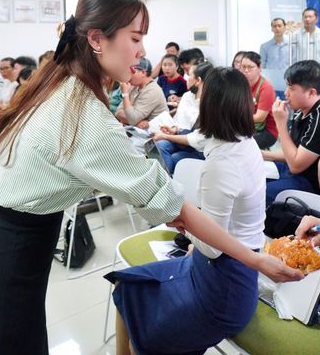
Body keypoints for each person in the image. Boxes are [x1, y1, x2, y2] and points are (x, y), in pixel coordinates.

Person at [0, 0, 299, 355]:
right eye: (135, 38)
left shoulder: (57, 83)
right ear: (96, 39)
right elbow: (176, 209)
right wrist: (255, 259)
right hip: (8, 269)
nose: (142, 52)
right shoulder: (84, 114)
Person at [106, 67, 299, 355]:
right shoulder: (242, 143)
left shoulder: (222, 164)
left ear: (209, 106)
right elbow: (198, 140)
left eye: (201, 95)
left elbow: (211, 248)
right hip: (219, 267)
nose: (196, 97)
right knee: (128, 286)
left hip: (222, 287)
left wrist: (186, 224)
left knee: (142, 329)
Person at [263, 60, 320, 205]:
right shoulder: (301, 112)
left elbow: (296, 165)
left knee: (260, 193)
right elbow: (293, 153)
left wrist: (280, 124)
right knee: (251, 176)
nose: (286, 93)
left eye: (291, 89)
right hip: (292, 171)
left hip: (310, 183)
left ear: (311, 92)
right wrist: (263, 155)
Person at [153, 62, 213, 174]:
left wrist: (166, 136)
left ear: (198, 80)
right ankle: (167, 178)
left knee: (176, 157)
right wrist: (173, 129)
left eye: (189, 75)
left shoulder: (210, 103)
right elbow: (179, 123)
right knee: (160, 145)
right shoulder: (187, 96)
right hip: (183, 140)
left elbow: (197, 140)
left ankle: (170, 179)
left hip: (199, 147)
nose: (187, 79)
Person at [115, 57, 167, 128]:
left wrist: (125, 93)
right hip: (137, 130)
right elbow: (118, 112)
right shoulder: (134, 86)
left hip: (155, 133)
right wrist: (136, 122)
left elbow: (132, 119)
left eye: (131, 72)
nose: (128, 76)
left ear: (143, 73)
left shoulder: (152, 90)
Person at [241, 51, 278, 149]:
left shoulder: (266, 87)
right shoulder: (241, 84)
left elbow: (259, 117)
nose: (246, 70)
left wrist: (236, 118)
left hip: (267, 131)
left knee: (241, 146)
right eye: (243, 67)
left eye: (250, 67)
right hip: (249, 126)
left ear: (259, 68)